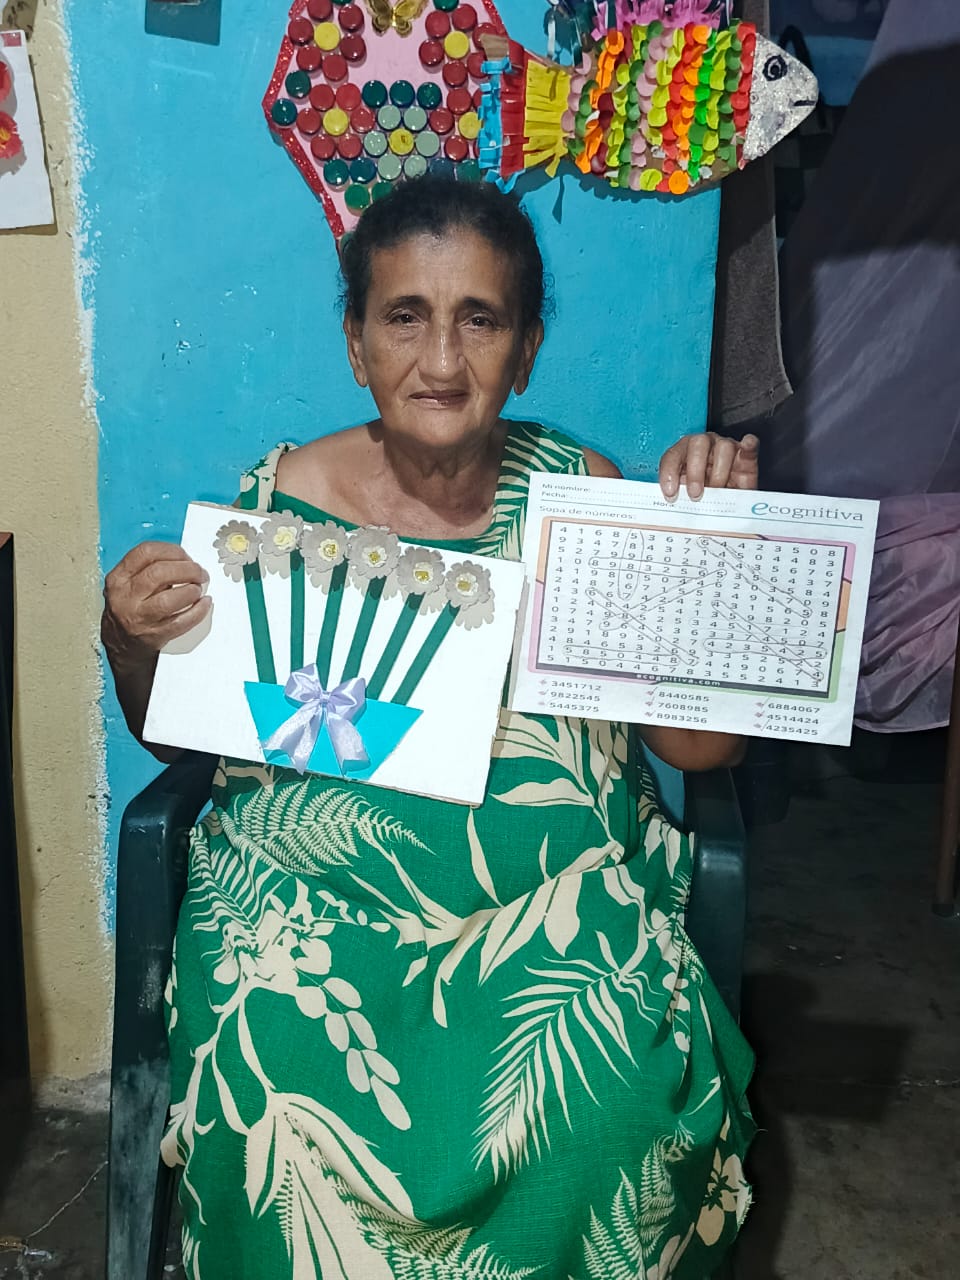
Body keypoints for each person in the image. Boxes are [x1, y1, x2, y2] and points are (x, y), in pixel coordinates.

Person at [102, 176, 760, 1280]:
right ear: (355, 343)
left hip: (550, 918)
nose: (442, 361)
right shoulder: (275, 506)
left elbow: (699, 753)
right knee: (283, 1087)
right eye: (404, 316)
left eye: (481, 320)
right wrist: (131, 639)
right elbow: (180, 741)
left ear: (528, 349)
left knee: (602, 1099)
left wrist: (712, 545)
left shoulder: (579, 497)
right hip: (309, 913)